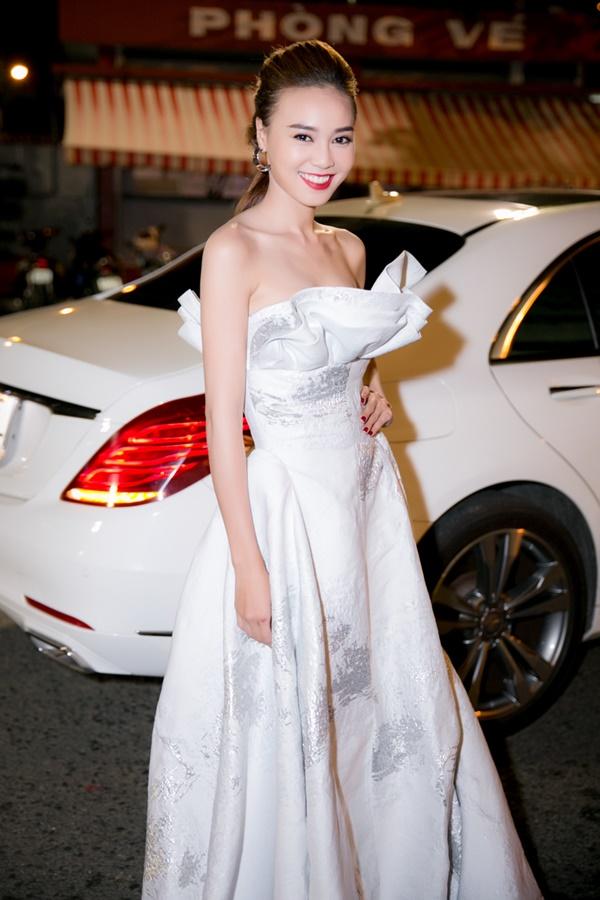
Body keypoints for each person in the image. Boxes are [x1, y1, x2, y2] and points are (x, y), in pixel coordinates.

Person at [142, 39, 543, 900]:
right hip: (285, 515)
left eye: (340, 137)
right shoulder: (232, 251)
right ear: (260, 136)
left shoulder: (349, 249)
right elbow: (223, 424)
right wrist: (250, 568)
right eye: (301, 135)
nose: (323, 157)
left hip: (363, 502)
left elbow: (352, 359)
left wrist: (374, 392)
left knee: (370, 701)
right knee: (293, 712)